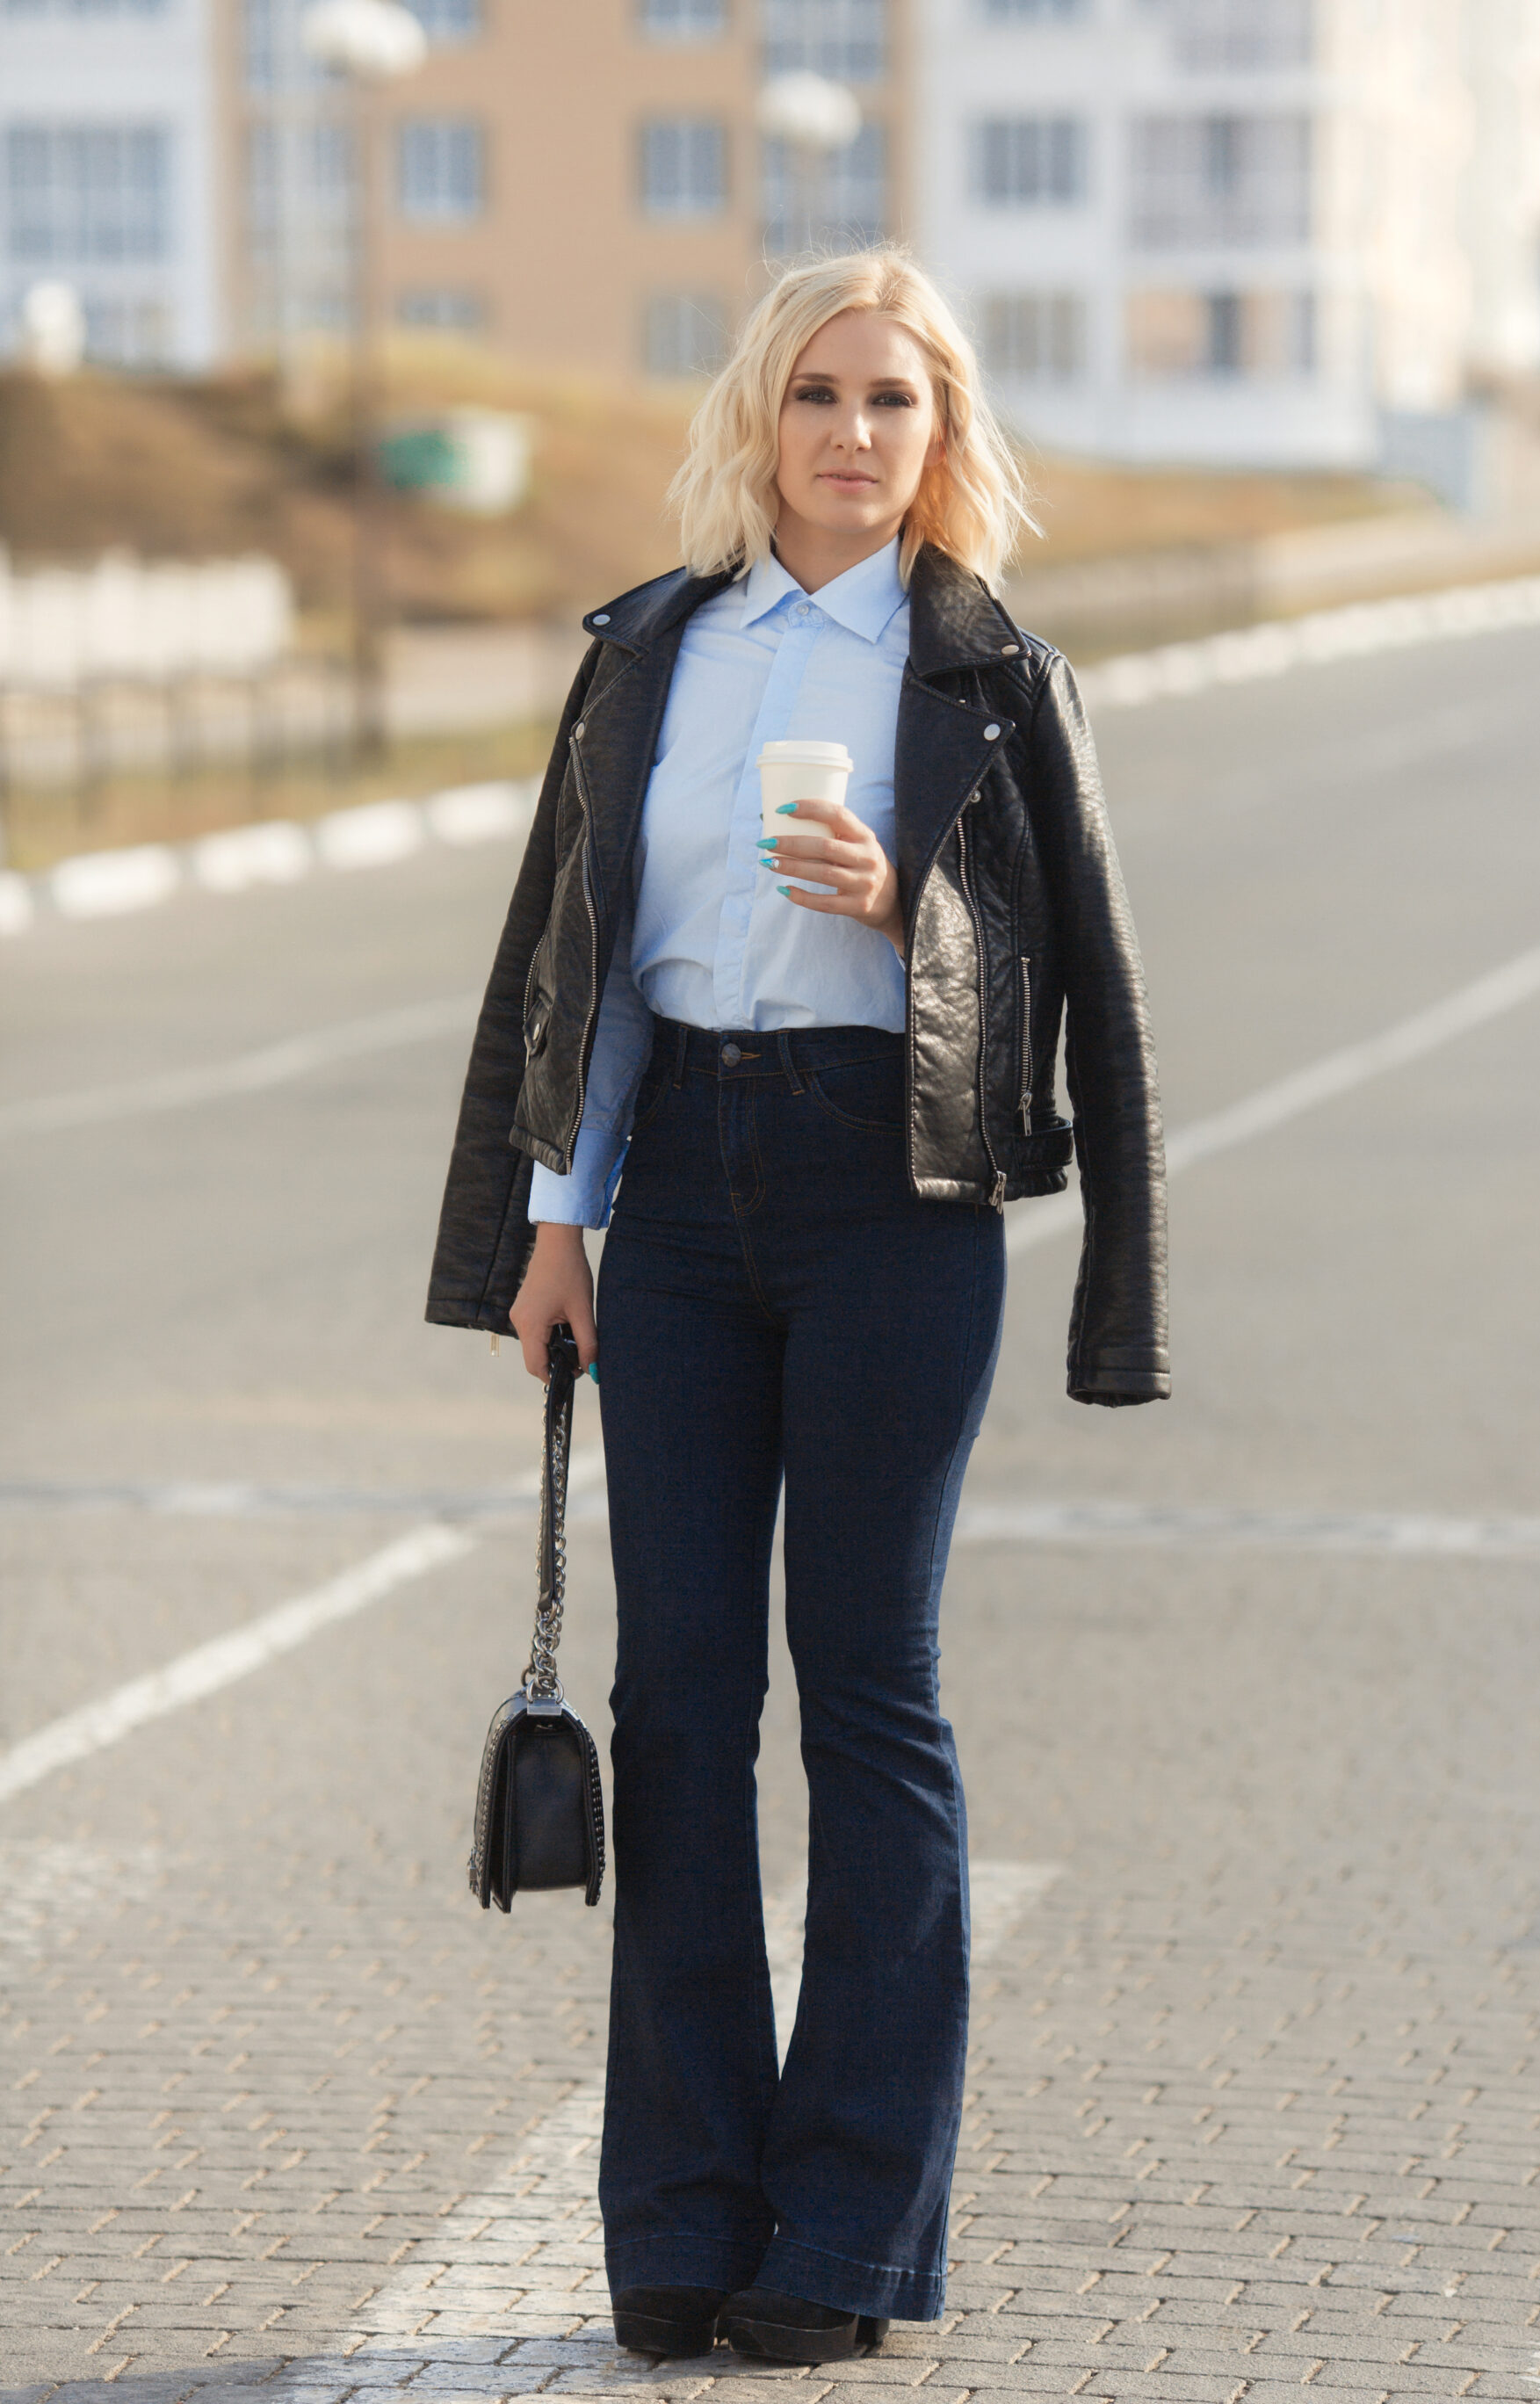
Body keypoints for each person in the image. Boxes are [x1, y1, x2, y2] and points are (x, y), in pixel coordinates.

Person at [426, 247, 1168, 2366]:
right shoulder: (653, 653)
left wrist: (912, 904)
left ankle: (848, 2237)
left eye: (897, 401)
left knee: (867, 1699)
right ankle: (679, 2217)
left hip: (894, 1201)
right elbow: (582, 965)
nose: (854, 434)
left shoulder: (991, 674)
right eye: (820, 393)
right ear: (761, 414)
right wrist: (547, 1227)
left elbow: (1084, 998)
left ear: (944, 441)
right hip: (665, 1212)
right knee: (679, 1713)